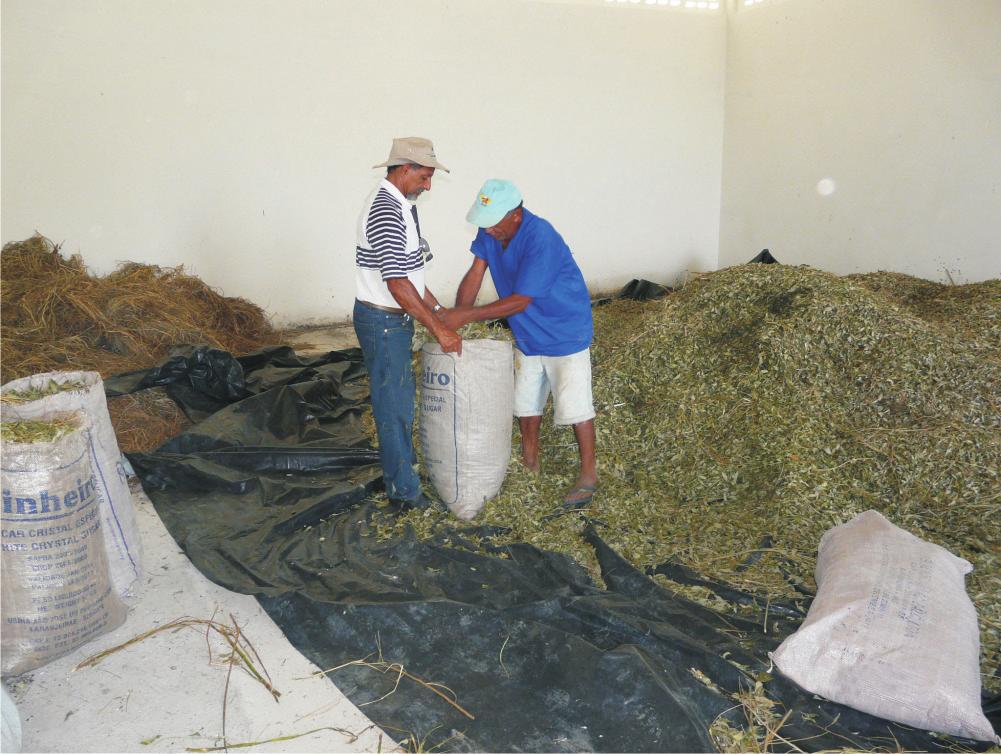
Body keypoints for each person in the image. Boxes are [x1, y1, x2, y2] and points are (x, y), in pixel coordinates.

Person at [440, 179, 597, 506]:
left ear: (516, 214)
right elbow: (475, 273)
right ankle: (530, 464)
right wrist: (459, 316)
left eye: (494, 222)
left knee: (575, 404)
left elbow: (520, 300)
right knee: (526, 402)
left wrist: (464, 318)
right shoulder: (491, 231)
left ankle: (588, 474)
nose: (488, 229)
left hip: (563, 330)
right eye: (485, 222)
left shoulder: (541, 237)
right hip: (528, 333)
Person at [353, 137, 461, 510]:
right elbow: (397, 284)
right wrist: (438, 328)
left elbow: (411, 273)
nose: (428, 186)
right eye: (425, 177)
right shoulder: (385, 210)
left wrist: (437, 307)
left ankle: (404, 473)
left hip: (394, 319)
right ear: (404, 169)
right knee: (394, 406)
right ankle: (404, 492)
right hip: (383, 323)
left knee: (400, 400)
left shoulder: (404, 205)